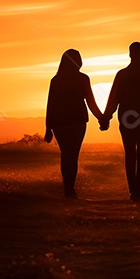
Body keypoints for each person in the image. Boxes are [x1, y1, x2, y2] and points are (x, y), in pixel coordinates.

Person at [101, 42, 140, 201]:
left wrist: (106, 118)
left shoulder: (122, 74)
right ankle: (139, 191)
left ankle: (133, 191)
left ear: (130, 55)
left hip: (127, 121)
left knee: (130, 154)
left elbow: (113, 99)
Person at [45, 49, 104, 198]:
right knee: (73, 155)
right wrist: (101, 118)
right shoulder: (83, 79)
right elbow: (91, 102)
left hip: (59, 123)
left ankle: (68, 187)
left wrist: (48, 127)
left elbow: (50, 104)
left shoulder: (56, 80)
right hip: (77, 121)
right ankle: (70, 187)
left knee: (66, 154)